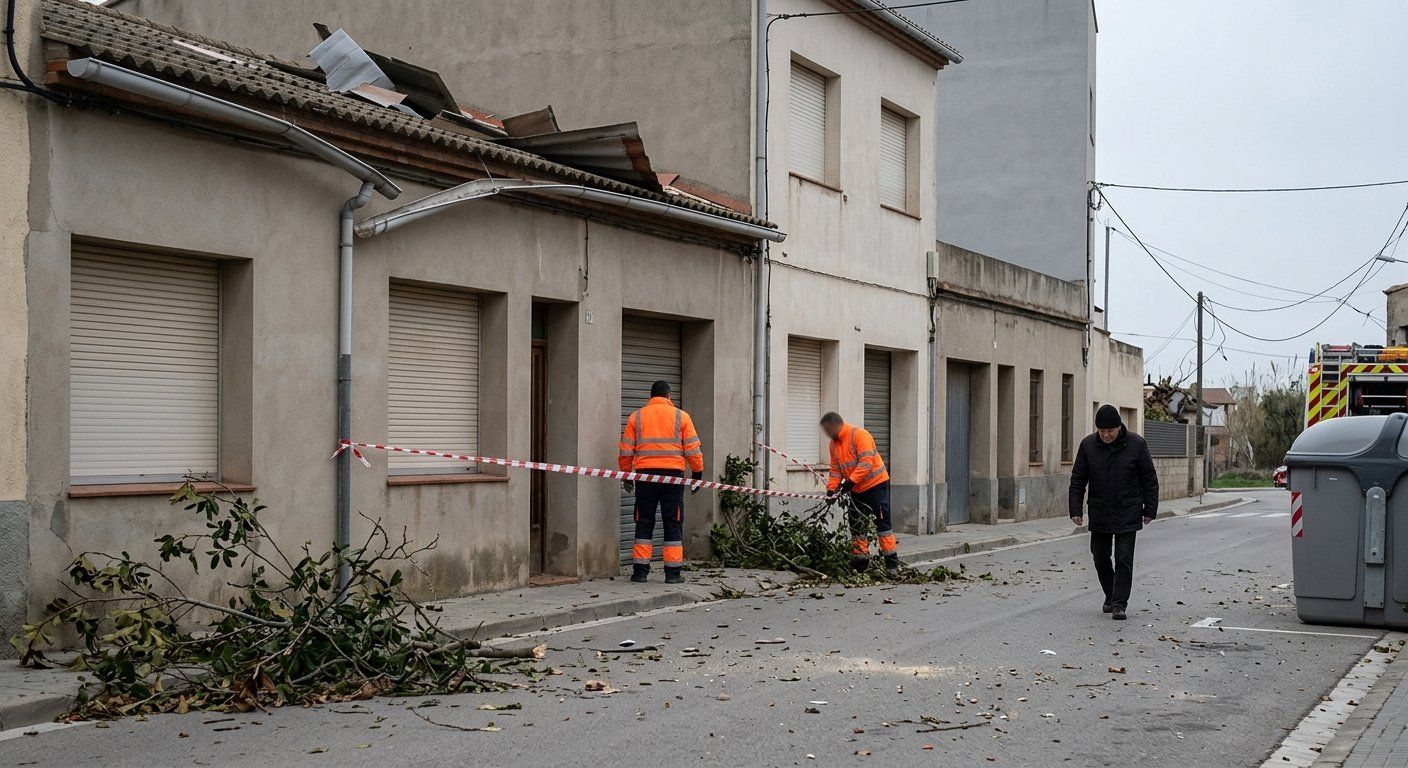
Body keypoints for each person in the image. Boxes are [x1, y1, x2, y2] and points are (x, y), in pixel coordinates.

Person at [1068, 404, 1159, 621]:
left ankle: (1119, 604)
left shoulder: (1136, 444)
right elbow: (1078, 480)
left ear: (1119, 427)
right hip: (1100, 510)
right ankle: (1110, 593)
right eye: (1102, 431)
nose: (1106, 435)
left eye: (1110, 431)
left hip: (1128, 510)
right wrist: (1075, 509)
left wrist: (1150, 509)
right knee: (1100, 557)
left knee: (1124, 558)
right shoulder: (1088, 446)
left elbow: (1149, 479)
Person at [618, 380, 704, 584]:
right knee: (672, 522)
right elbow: (693, 449)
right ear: (669, 396)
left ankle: (640, 572)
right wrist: (697, 474)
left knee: (644, 521)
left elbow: (625, 450)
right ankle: (672, 574)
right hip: (672, 478)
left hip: (645, 477)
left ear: (651, 397)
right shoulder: (681, 416)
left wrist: (626, 475)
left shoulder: (636, 417)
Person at [820, 412, 897, 575]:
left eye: (827, 430)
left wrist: (850, 481)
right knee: (856, 525)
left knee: (882, 524)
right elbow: (835, 469)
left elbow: (866, 463)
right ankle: (860, 563)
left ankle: (891, 564)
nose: (826, 434)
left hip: (876, 486)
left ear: (835, 425)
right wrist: (831, 489)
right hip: (856, 489)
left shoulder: (859, 435)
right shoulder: (833, 444)